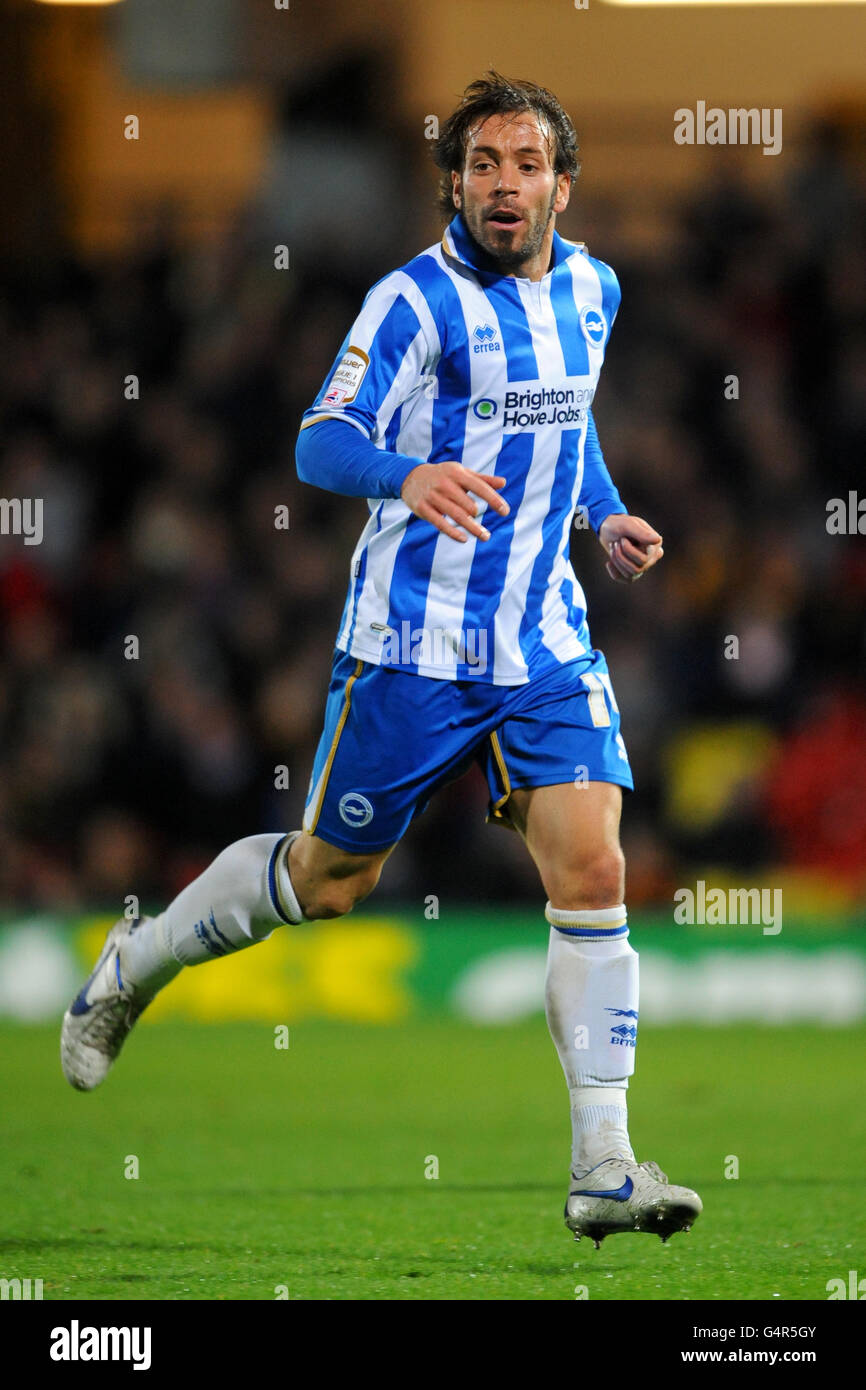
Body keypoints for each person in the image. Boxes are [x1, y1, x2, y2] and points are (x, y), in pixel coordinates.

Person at [62, 72, 701, 1248]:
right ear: (451, 182)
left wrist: (599, 514)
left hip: (543, 637)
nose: (501, 185)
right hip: (412, 642)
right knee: (328, 882)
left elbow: (568, 420)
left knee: (596, 873)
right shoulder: (411, 301)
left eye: (523, 164)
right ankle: (136, 963)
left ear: (564, 182)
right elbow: (319, 437)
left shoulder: (596, 289)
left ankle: (602, 1165)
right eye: (479, 166)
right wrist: (404, 475)